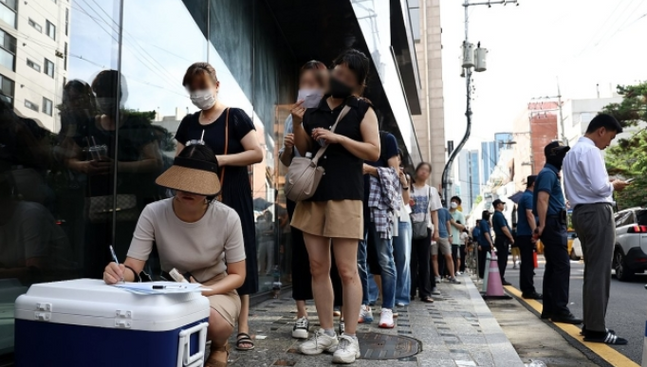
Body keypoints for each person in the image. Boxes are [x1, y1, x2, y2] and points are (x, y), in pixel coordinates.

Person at [103, 144, 247, 367]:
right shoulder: (154, 212)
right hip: (173, 289)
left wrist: (205, 290)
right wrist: (119, 273)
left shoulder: (228, 217)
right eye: (181, 182)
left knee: (212, 318)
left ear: (210, 187)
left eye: (195, 184)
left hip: (217, 288)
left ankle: (220, 346)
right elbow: (134, 267)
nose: (186, 190)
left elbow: (238, 275)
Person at [292, 49, 380, 364]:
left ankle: (350, 338)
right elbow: (303, 149)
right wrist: (297, 121)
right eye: (337, 71)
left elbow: (373, 151)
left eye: (347, 77)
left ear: (357, 83)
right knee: (318, 267)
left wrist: (339, 138)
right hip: (314, 194)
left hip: (346, 195)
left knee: (346, 269)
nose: (339, 79)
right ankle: (327, 332)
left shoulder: (361, 109)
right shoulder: (314, 105)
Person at [175, 62, 264, 351]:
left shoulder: (234, 117)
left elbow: (256, 153)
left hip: (230, 193)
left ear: (216, 85)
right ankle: (199, 313)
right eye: (192, 88)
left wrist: (218, 160)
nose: (198, 93)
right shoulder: (188, 122)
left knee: (239, 255)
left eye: (202, 86)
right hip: (194, 198)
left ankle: (244, 326)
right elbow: (178, 160)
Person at [279, 60, 344, 339]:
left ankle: (333, 313)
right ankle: (302, 314)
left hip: (329, 189)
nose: (310, 88)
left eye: (317, 83)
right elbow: (286, 161)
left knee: (333, 255)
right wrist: (287, 147)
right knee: (300, 254)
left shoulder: (334, 112)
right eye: (306, 82)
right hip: (300, 191)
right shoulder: (289, 117)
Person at [563, 114, 629, 345]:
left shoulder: (571, 153)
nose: (608, 143)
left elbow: (586, 186)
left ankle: (592, 325)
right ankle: (596, 330)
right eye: (610, 137)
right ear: (601, 130)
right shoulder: (591, 151)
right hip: (597, 212)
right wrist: (613, 185)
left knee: (593, 271)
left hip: (581, 213)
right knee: (600, 273)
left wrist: (605, 183)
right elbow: (601, 188)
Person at [534, 141, 581, 325]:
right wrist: (543, 224)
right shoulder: (547, 173)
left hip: (554, 222)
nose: (564, 157)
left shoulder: (550, 173)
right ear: (553, 155)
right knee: (562, 267)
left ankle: (550, 308)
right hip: (553, 223)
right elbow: (542, 199)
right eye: (561, 153)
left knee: (554, 267)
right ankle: (560, 310)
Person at [358, 131, 400, 328]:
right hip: (354, 202)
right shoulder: (352, 137)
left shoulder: (385, 138)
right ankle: (364, 306)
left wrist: (369, 169)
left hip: (379, 205)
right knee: (358, 260)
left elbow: (395, 174)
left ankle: (387, 309)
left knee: (385, 258)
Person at [409, 162, 441, 303]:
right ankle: (409, 292)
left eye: (427, 170)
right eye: (421, 169)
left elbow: (434, 212)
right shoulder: (409, 188)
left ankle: (425, 292)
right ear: (416, 171)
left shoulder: (431, 191)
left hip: (425, 228)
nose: (424, 172)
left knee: (424, 261)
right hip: (409, 227)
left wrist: (436, 230)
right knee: (410, 261)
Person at [516, 175, 542, 300]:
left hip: (524, 234)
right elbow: (530, 215)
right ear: (533, 184)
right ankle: (528, 290)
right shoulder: (528, 197)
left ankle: (527, 289)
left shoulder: (526, 196)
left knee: (527, 263)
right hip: (526, 234)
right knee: (528, 264)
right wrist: (534, 232)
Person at [393, 150, 412, 308]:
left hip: (402, 218)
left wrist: (404, 183)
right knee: (380, 258)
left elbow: (406, 202)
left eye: (396, 158)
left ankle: (402, 296)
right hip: (383, 217)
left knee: (403, 259)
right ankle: (372, 296)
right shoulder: (378, 171)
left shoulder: (405, 177)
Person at [434, 206, 460, 284]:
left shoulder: (445, 210)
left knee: (449, 256)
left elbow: (448, 223)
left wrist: (450, 235)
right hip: (433, 236)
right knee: (434, 256)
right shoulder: (430, 208)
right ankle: (437, 276)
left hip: (444, 235)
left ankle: (452, 276)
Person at [491, 199, 514, 285]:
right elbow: (504, 228)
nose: (503, 206)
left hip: (500, 239)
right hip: (502, 239)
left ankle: (500, 277)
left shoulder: (497, 215)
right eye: (502, 204)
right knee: (502, 260)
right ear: (497, 205)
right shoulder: (498, 215)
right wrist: (511, 238)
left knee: (502, 259)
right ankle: (500, 278)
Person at [449, 196, 466, 275]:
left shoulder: (459, 214)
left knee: (454, 257)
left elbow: (462, 226)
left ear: (459, 204)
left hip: (454, 239)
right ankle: (446, 273)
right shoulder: (446, 212)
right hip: (445, 238)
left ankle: (454, 272)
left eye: (456, 202)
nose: (454, 203)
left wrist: (453, 223)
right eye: (452, 201)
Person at [478, 211, 493, 279]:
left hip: (485, 243)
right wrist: (490, 242)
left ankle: (483, 273)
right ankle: (483, 274)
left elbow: (490, 225)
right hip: (485, 244)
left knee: (485, 259)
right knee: (485, 260)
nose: (489, 216)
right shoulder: (483, 222)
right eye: (488, 215)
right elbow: (486, 233)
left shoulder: (485, 222)